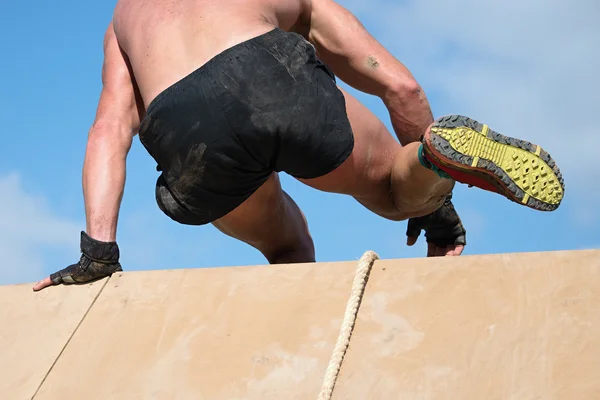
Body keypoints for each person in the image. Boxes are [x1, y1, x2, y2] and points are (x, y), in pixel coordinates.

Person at [32, 0, 564, 291]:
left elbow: (109, 131)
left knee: (287, 248)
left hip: (184, 125)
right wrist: (434, 206)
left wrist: (99, 252)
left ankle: (295, 346)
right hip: (268, 71)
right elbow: (398, 86)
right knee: (395, 191)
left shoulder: (126, 17)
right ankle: (435, 158)